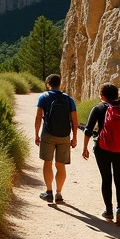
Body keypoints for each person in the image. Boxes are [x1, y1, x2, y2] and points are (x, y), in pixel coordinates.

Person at [81, 82, 120, 227]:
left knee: (106, 179)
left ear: (102, 96)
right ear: (117, 95)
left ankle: (109, 211)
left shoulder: (98, 108)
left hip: (102, 150)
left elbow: (88, 130)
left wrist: (85, 148)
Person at [33, 74, 78, 205]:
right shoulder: (69, 99)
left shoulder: (43, 97)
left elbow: (38, 117)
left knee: (48, 162)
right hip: (64, 136)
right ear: (60, 84)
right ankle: (58, 194)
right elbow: (74, 121)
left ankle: (48, 192)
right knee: (61, 165)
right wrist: (74, 137)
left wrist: (36, 134)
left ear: (48, 84)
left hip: (48, 134)